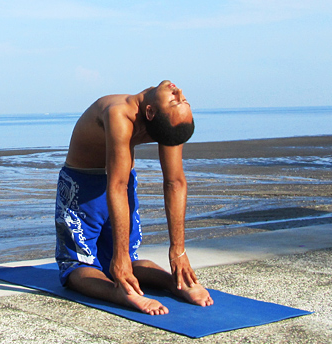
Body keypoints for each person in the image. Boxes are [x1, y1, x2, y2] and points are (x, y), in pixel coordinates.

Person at [55, 80, 214, 315]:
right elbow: (117, 184)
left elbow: (175, 182)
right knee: (107, 262)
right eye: (179, 97)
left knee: (89, 264)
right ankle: (123, 289)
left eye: (178, 99)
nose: (178, 91)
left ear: (150, 112)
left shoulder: (166, 119)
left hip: (104, 188)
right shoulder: (120, 112)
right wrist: (120, 258)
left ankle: (177, 283)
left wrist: (178, 251)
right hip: (93, 186)